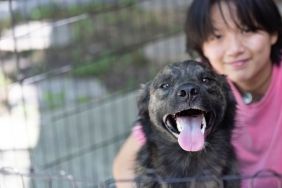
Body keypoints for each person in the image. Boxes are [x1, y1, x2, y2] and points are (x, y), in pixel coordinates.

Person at [113, 0, 282, 187]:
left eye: (248, 30)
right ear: (202, 47)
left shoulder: (210, 82)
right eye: (217, 36)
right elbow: (123, 167)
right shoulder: (202, 73)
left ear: (273, 33)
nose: (235, 49)